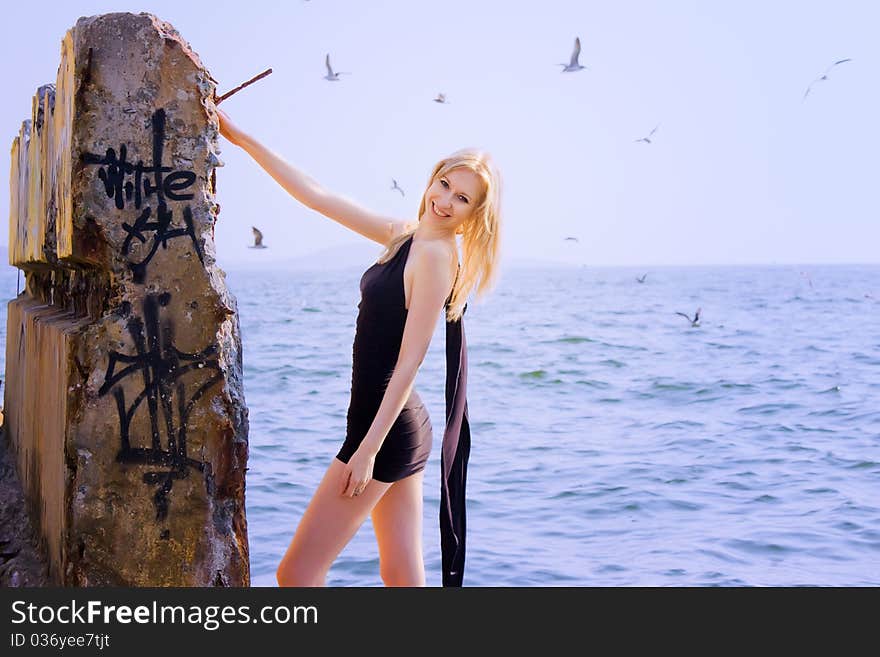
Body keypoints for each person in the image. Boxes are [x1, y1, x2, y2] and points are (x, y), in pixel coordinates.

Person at [216, 108, 502, 586]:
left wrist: (367, 450)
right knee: (402, 576)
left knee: (297, 574)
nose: (446, 200)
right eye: (444, 185)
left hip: (384, 433)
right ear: (432, 180)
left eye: (462, 198)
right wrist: (241, 138)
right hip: (398, 423)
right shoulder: (406, 237)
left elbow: (411, 360)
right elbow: (318, 197)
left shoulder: (434, 258)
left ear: (474, 214)